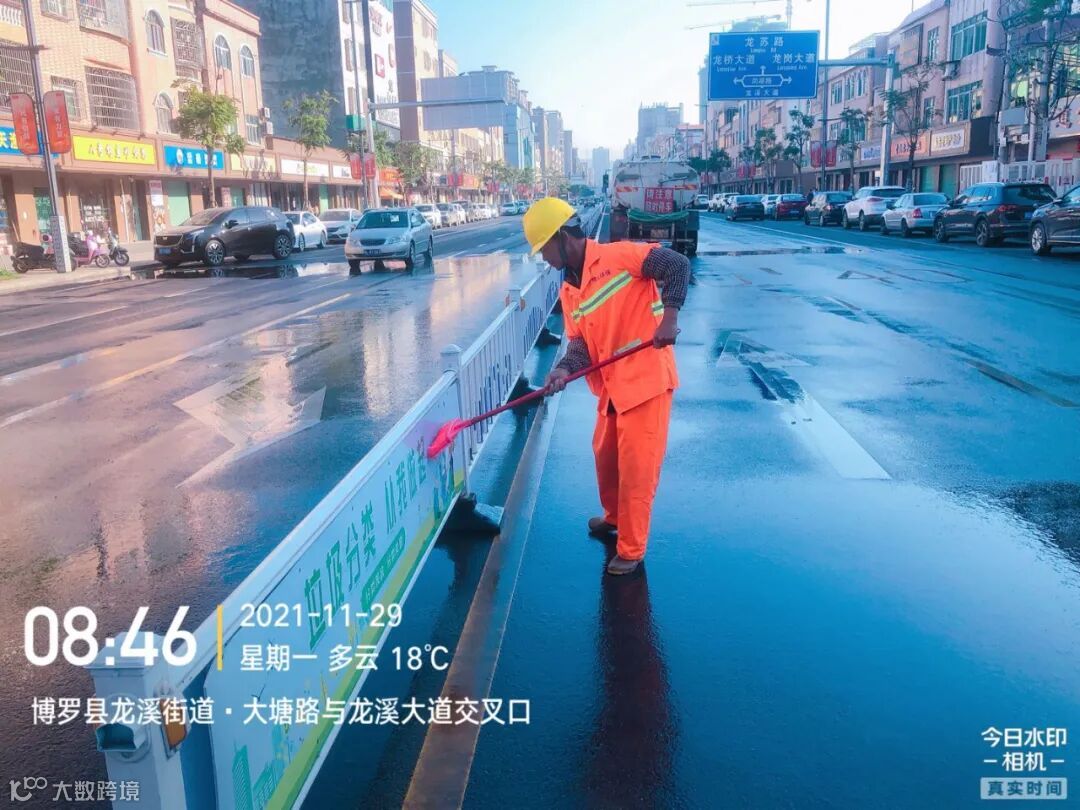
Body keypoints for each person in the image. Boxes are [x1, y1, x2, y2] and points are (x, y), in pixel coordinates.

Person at [523, 198, 690, 575]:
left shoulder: (620, 256)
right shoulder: (570, 290)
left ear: (564, 237)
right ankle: (614, 517)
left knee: (637, 470)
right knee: (606, 456)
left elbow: (677, 265)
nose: (544, 258)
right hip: (613, 387)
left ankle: (631, 549)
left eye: (544, 249)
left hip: (646, 381)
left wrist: (669, 318)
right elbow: (580, 343)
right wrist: (562, 369)